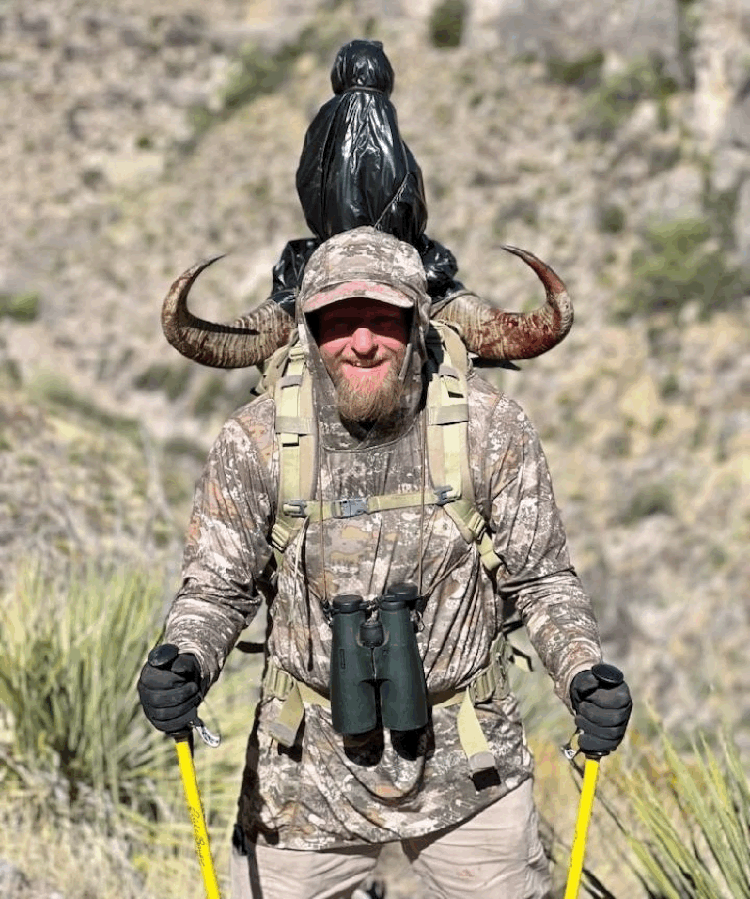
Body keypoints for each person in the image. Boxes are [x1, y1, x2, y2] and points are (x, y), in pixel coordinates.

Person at [138, 226, 632, 899]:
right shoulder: (254, 441)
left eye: (382, 320)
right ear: (308, 330)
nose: (361, 341)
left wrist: (581, 672)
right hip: (303, 764)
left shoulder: (491, 430)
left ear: (417, 323)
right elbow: (219, 590)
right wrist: (184, 658)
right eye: (337, 321)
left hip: (469, 758)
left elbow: (542, 580)